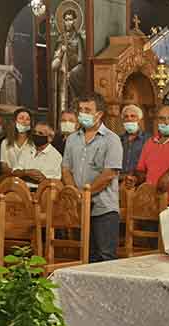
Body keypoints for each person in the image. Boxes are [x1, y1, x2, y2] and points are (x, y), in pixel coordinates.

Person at [62, 92, 123, 263]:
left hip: (104, 208)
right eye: (81, 110)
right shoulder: (72, 139)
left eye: (87, 110)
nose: (83, 114)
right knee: (85, 257)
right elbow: (66, 169)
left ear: (99, 114)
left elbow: (109, 174)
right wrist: (75, 193)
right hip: (79, 207)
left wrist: (85, 195)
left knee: (105, 256)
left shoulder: (111, 139)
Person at [126, 105, 169, 204]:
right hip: (151, 202)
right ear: (157, 122)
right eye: (162, 118)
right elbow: (141, 171)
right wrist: (135, 179)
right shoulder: (150, 142)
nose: (166, 122)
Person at [12, 121, 62, 188]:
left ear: (50, 138)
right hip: (21, 188)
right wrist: (26, 172)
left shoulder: (56, 157)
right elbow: (15, 172)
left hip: (40, 191)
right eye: (35, 132)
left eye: (40, 133)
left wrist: (42, 178)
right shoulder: (26, 149)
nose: (36, 135)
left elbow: (54, 184)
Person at [0, 107, 34, 175]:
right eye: (21, 118)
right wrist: (15, 173)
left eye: (27, 119)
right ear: (15, 121)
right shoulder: (5, 142)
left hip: (29, 178)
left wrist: (24, 173)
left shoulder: (34, 143)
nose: (24, 121)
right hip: (10, 177)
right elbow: (3, 166)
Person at [120, 104, 150, 175]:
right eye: (126, 116)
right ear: (123, 120)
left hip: (140, 179)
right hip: (120, 178)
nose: (129, 119)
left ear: (139, 119)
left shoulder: (148, 139)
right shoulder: (118, 140)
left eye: (133, 116)